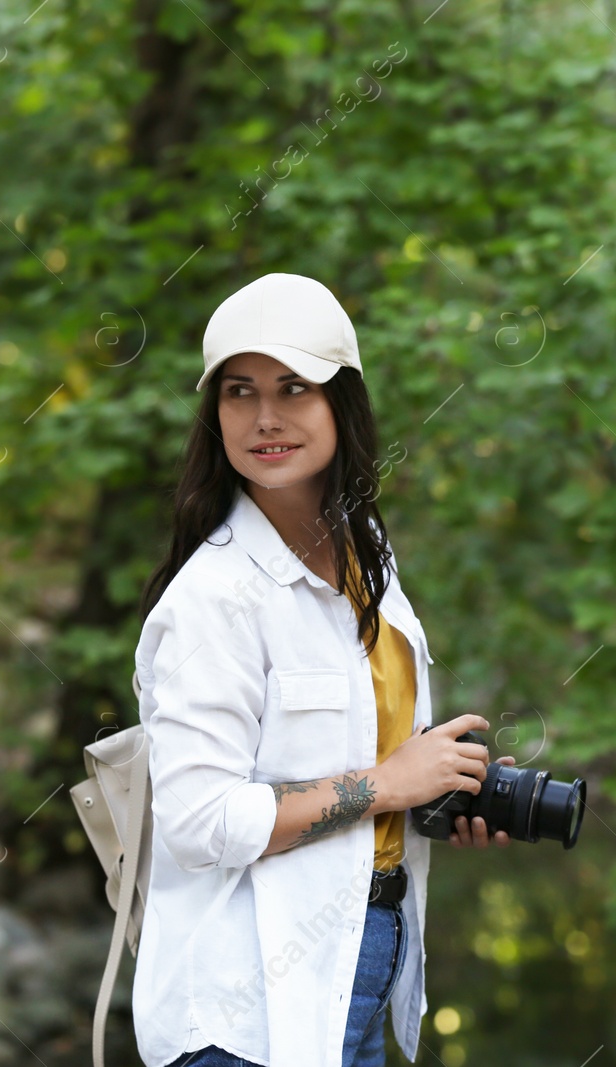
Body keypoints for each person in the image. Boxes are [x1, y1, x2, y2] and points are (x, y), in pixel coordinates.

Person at [130, 273, 513, 1067]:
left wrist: (437, 791)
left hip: (351, 972)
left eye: (293, 388)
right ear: (216, 414)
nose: (265, 417)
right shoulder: (214, 598)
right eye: (240, 392)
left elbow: (364, 754)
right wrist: (387, 785)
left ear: (342, 401)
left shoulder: (364, 548)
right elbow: (199, 821)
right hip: (242, 1017)